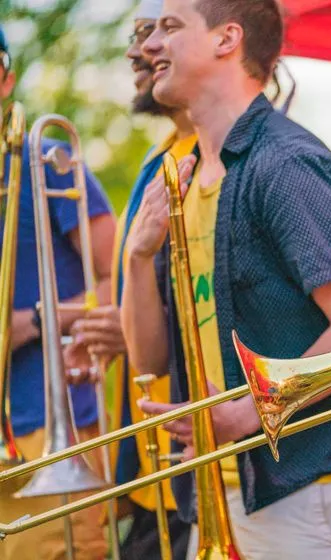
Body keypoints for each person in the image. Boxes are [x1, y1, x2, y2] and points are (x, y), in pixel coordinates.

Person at [120, 0, 331, 557]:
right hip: (222, 492)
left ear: (227, 39)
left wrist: (245, 414)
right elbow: (148, 362)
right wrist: (135, 257)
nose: (149, 45)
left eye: (171, 28)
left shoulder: (285, 164)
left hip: (313, 482)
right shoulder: (182, 179)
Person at [62, 1, 196, 557]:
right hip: (150, 472)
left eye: (154, 32)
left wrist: (132, 328)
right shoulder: (156, 158)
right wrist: (110, 335)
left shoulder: (210, 156)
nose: (135, 51)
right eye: (140, 33)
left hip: (194, 462)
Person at [0, 23, 116, 560]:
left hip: (46, 423)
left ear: (7, 80)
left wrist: (35, 321)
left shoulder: (47, 161)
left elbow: (116, 282)